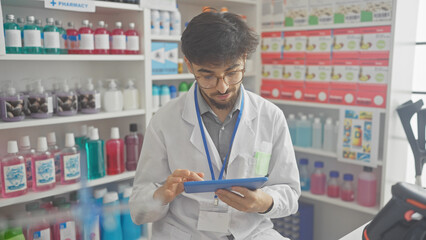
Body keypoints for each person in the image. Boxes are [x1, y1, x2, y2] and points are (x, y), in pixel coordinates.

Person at [130, 10, 300, 240]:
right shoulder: (164, 121)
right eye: (208, 76)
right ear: (189, 65)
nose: (222, 87)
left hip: (251, 233)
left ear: (244, 59)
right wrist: (162, 194)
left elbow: (289, 193)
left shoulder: (270, 116)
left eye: (232, 73)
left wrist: (264, 202)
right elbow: (138, 209)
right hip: (188, 234)